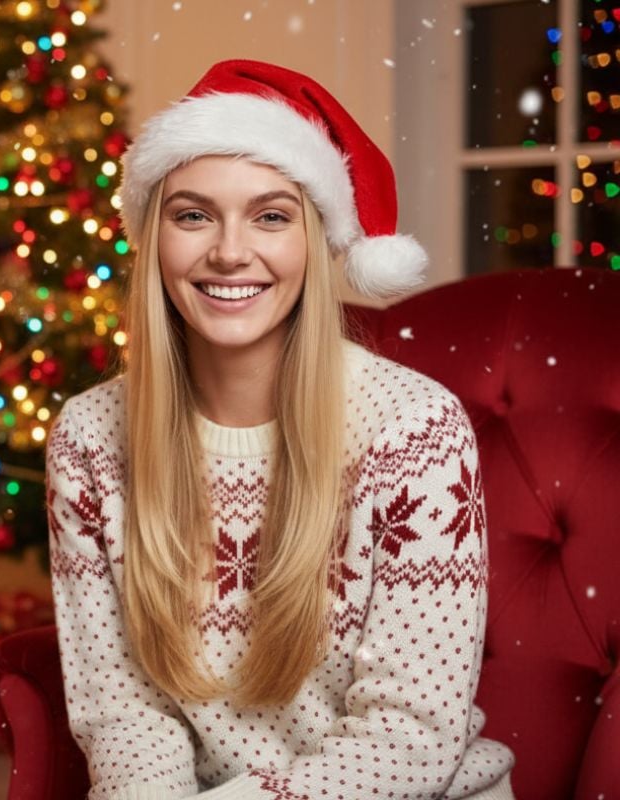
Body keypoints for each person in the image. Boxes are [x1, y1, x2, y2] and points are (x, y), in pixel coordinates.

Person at [45, 60, 516, 799]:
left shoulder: (414, 431)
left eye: (271, 216)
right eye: (193, 214)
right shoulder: (90, 438)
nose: (230, 252)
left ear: (317, 243)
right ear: (154, 239)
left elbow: (410, 740)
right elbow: (122, 711)